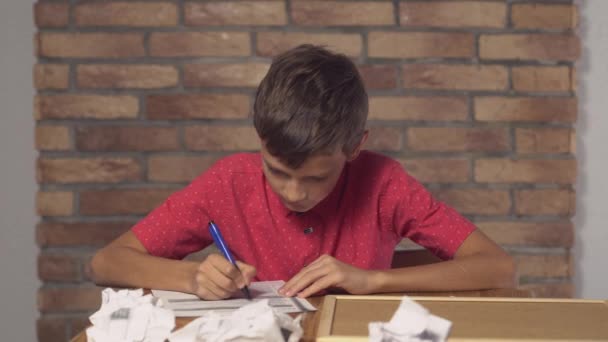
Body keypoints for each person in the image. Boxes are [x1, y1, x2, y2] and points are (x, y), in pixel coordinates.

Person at [90, 45, 515, 300]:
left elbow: (498, 266)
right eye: (277, 172)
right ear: (261, 140)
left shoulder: (383, 182)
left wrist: (373, 280)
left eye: (316, 178)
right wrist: (191, 277)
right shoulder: (229, 182)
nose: (294, 192)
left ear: (355, 147)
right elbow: (106, 262)